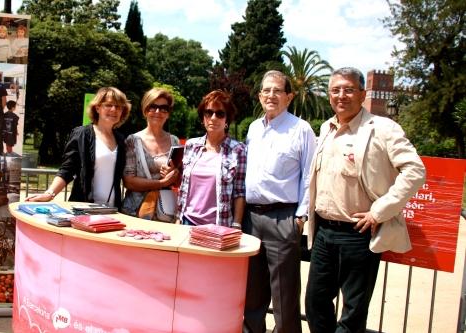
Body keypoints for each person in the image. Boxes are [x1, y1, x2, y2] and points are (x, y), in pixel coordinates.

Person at [305, 67, 426, 333]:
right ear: (329, 95)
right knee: (315, 305)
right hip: (324, 232)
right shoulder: (326, 128)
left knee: (353, 313)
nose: (341, 95)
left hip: (358, 235)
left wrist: (379, 211)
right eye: (335, 90)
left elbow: (415, 171)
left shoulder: (383, 129)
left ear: (362, 94)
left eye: (348, 89)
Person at [242, 70, 317, 333]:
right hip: (251, 218)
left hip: (282, 217)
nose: (271, 95)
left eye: (277, 90)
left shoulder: (301, 129)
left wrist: (300, 216)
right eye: (266, 90)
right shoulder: (253, 128)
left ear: (289, 96)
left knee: (284, 295)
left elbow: (309, 175)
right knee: (252, 292)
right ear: (260, 95)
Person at [26, 87, 131, 208]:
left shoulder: (122, 139)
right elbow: (67, 169)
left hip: (113, 211)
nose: (114, 109)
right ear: (97, 108)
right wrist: (50, 193)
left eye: (118, 106)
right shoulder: (82, 134)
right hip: (84, 208)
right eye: (108, 105)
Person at [175, 90, 246, 227]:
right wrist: (178, 218)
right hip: (187, 221)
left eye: (220, 113)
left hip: (219, 225)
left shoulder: (238, 150)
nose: (213, 118)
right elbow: (183, 187)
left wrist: (237, 224)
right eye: (208, 112)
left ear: (227, 120)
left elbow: (239, 191)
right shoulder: (191, 146)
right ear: (203, 118)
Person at [121, 88, 180, 220]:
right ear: (145, 110)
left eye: (164, 108)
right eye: (153, 107)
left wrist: (174, 173)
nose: (158, 112)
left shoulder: (174, 141)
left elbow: (179, 179)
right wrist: (162, 183)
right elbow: (129, 182)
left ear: (168, 113)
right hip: (135, 212)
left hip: (164, 213)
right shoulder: (132, 141)